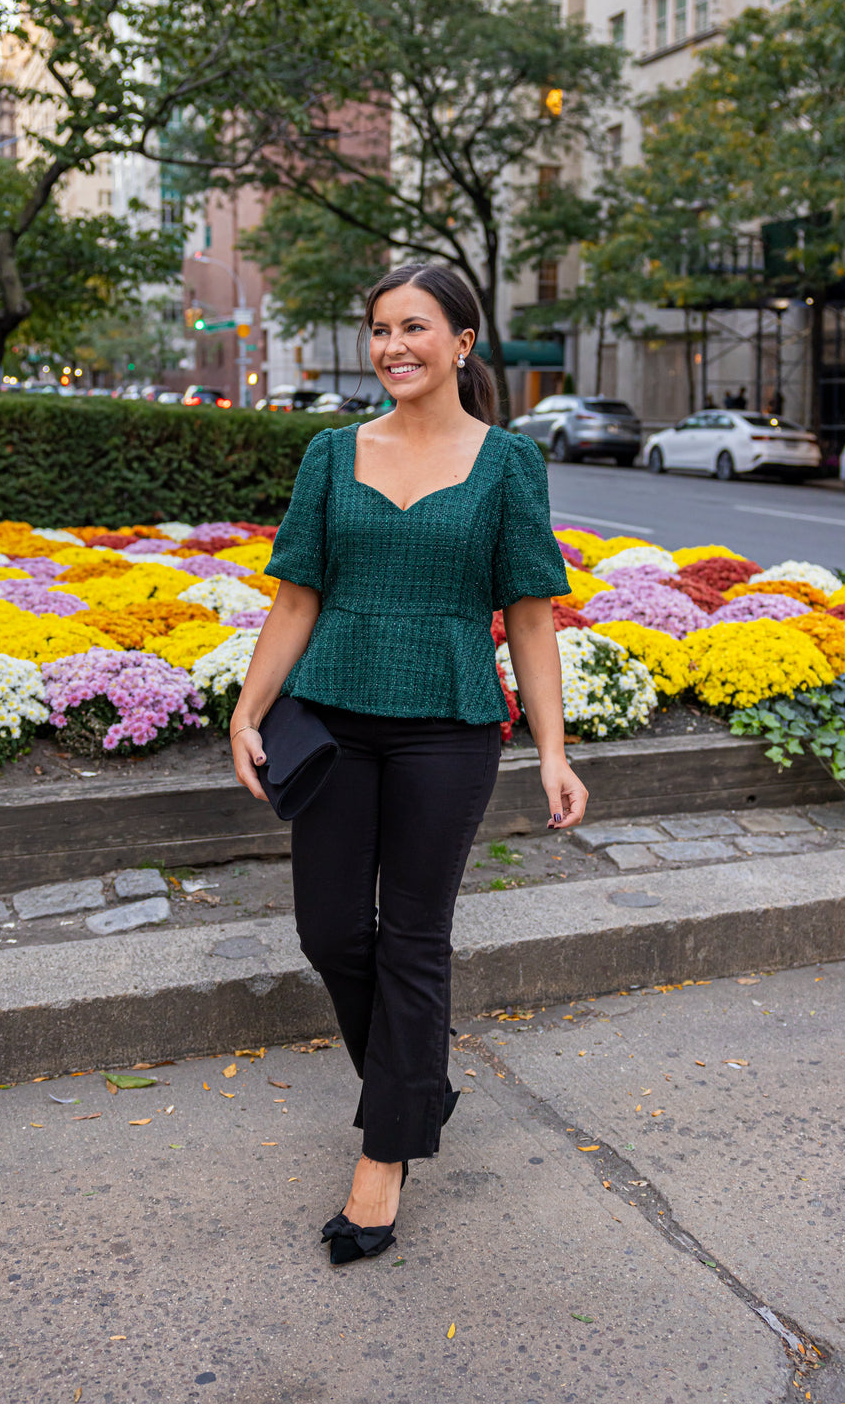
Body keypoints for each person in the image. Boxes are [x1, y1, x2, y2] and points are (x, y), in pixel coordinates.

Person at [229, 261, 589, 1266]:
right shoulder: (329, 455)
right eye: (379, 328)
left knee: (413, 938)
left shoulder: (508, 465)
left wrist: (553, 750)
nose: (391, 346)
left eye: (414, 326)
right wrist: (246, 709)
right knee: (331, 929)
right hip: (331, 721)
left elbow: (528, 613)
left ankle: (384, 1153)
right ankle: (416, 1084)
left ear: (463, 341)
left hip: (448, 724)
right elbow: (294, 594)